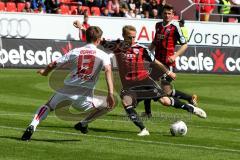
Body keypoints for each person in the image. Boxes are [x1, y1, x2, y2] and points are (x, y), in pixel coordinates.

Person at [101, 25, 207, 136]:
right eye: (129, 37)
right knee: (126, 102)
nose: (132, 40)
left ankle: (190, 108)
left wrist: (168, 72)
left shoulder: (142, 49)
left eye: (134, 37)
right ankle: (143, 129)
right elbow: (97, 39)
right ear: (123, 36)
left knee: (165, 101)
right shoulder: (117, 46)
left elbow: (155, 62)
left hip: (144, 81)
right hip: (129, 85)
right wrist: (82, 27)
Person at [21, 26, 115, 141]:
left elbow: (52, 64)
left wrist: (44, 72)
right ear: (99, 40)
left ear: (85, 38)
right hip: (84, 98)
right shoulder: (103, 55)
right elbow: (108, 71)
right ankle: (84, 123)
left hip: (66, 91)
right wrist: (110, 93)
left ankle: (33, 125)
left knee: (48, 106)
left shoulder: (75, 51)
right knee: (108, 105)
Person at [143, 4, 198, 118]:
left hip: (168, 64)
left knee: (166, 91)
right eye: (165, 13)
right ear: (162, 14)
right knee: (148, 85)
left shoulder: (175, 27)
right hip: (157, 62)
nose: (167, 15)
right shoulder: (158, 25)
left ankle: (189, 98)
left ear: (173, 15)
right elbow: (155, 42)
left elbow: (185, 45)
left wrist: (175, 55)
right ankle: (147, 113)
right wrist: (147, 52)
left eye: (169, 14)